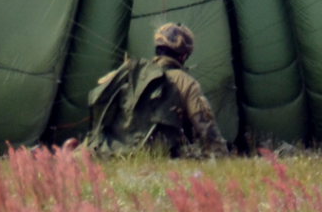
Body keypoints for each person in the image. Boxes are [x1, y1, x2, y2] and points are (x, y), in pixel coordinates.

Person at [87, 23, 229, 156]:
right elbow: (206, 128)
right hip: (156, 156)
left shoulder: (130, 71)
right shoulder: (187, 83)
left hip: (109, 151)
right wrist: (222, 157)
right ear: (182, 56)